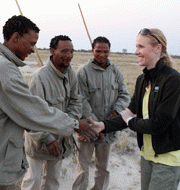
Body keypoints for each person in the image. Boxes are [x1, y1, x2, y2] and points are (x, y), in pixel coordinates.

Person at [0, 15, 98, 190]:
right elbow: (32, 110)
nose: (33, 49)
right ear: (15, 37)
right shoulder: (4, 68)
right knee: (32, 180)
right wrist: (73, 124)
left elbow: (75, 100)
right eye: (32, 43)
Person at [90, 29, 180, 190]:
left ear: (157, 48)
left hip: (167, 158)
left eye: (140, 47)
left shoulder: (173, 80)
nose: (136, 52)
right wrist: (102, 126)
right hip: (147, 156)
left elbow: (158, 124)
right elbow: (129, 112)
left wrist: (131, 122)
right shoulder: (142, 80)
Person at [21, 35, 82, 190]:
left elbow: (76, 102)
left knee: (52, 180)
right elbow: (32, 114)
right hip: (38, 141)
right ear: (52, 51)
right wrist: (47, 138)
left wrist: (68, 126)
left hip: (61, 138)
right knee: (32, 180)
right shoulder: (39, 78)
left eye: (71, 51)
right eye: (64, 51)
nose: (69, 56)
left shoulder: (71, 75)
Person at [72, 36, 130, 190]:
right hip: (89, 128)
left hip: (109, 129)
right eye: (98, 51)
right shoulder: (83, 71)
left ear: (109, 51)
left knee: (103, 167)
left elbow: (124, 95)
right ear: (92, 50)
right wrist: (95, 125)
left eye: (105, 51)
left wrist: (116, 111)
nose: (102, 55)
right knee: (82, 167)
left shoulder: (116, 71)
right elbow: (81, 100)